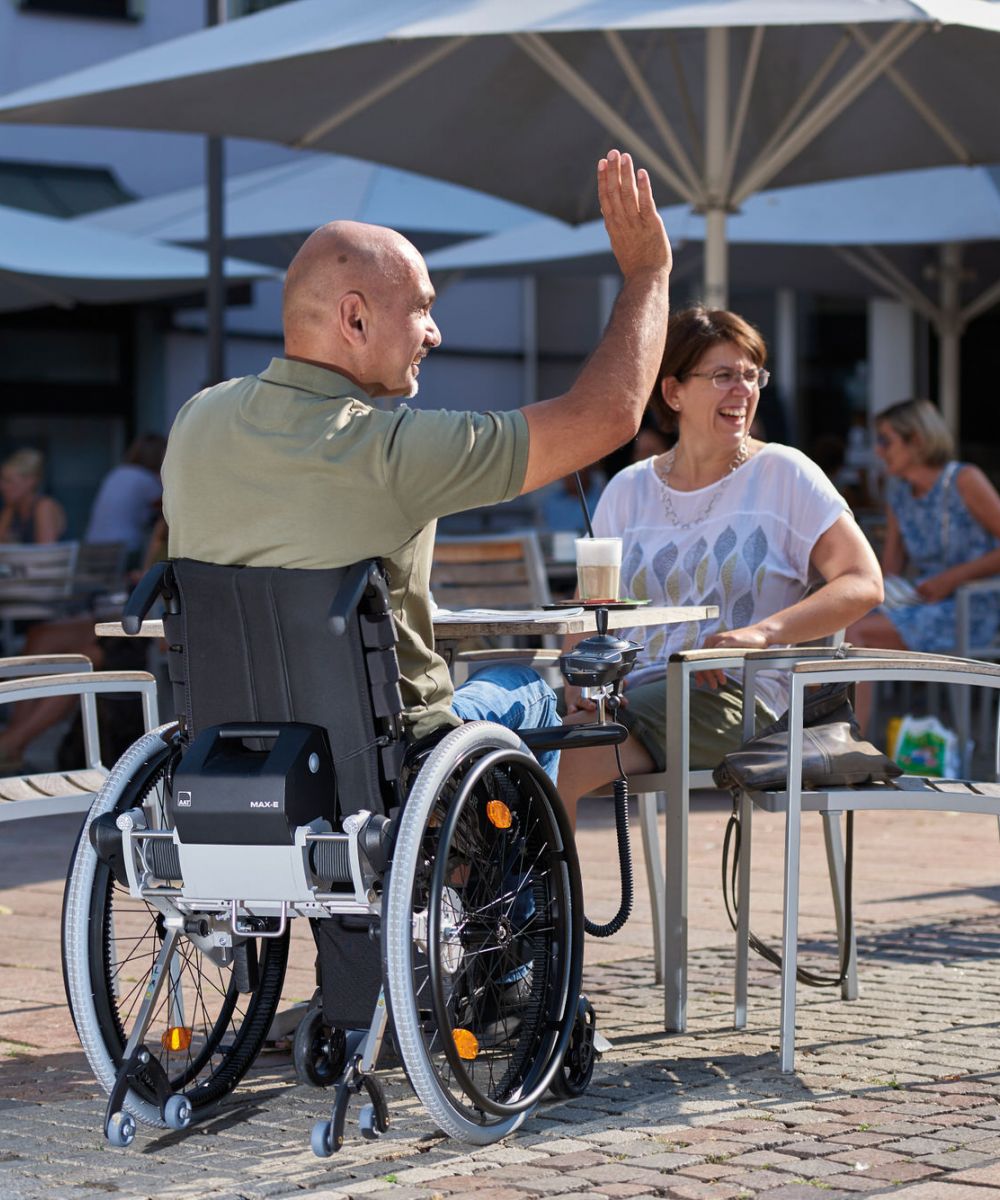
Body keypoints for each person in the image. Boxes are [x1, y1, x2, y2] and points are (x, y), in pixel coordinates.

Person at [161, 149, 673, 780]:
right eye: (421, 308)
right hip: (384, 760)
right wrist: (648, 273)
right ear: (355, 318)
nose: (434, 334)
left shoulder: (195, 420)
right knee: (529, 688)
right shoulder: (391, 452)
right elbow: (610, 416)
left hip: (229, 753)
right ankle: (496, 878)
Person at [555, 306, 884, 825]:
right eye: (724, 375)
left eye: (752, 375)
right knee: (505, 739)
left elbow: (863, 582)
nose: (744, 390)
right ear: (673, 392)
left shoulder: (784, 473)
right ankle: (475, 896)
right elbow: (587, 607)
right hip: (628, 696)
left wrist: (761, 633)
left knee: (560, 764)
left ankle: (539, 908)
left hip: (741, 698)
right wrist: (577, 683)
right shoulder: (628, 488)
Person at [847, 398, 1000, 658]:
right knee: (836, 626)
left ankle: (844, 701)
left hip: (975, 605)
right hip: (925, 601)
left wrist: (951, 579)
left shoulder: (963, 479)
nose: (878, 451)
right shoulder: (898, 495)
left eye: (886, 441)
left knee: (855, 633)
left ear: (916, 440)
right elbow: (890, 571)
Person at [85, 434, 166, 562]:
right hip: (122, 548)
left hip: (94, 544)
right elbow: (167, 510)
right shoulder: (146, 479)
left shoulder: (117, 473)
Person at [0, 449, 66, 544]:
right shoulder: (11, 509)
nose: (2, 486)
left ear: (30, 481)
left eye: (8, 481)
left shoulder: (44, 506)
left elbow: (46, 551)